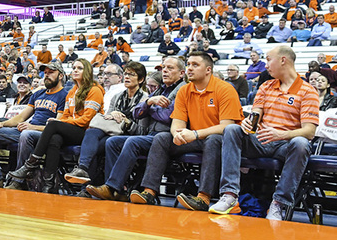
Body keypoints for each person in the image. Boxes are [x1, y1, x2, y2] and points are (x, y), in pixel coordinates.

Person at [209, 46, 318, 220]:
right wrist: (248, 123)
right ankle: (229, 194)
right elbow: (256, 115)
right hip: (260, 140)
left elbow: (309, 131)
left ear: (283, 60)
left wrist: (281, 135)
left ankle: (278, 204)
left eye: (268, 59)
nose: (265, 65)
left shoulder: (307, 91)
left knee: (302, 143)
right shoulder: (266, 86)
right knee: (232, 129)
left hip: (285, 144)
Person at [129, 52, 242, 210]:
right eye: (188, 64)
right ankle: (149, 192)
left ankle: (203, 197)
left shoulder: (225, 89)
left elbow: (227, 126)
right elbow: (177, 123)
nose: (189, 68)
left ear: (208, 70)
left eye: (195, 65)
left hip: (220, 140)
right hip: (193, 138)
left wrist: (194, 134)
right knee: (162, 138)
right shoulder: (184, 91)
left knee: (213, 139)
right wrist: (177, 134)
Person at [85, 58, 185, 202]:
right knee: (112, 142)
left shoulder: (182, 89)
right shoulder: (160, 89)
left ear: (181, 73)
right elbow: (136, 112)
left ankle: (112, 187)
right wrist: (150, 103)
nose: (165, 71)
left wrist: (149, 107)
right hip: (151, 134)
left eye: (170, 68)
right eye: (164, 68)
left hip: (166, 136)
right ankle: (115, 190)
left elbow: (167, 116)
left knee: (133, 142)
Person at [8, 59, 104, 193]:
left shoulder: (95, 90)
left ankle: (30, 164)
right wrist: (62, 122)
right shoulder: (72, 92)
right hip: (74, 129)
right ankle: (50, 184)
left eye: (80, 68)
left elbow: (87, 120)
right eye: (74, 67)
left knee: (53, 126)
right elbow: (65, 115)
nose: (75, 70)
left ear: (87, 71)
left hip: (88, 133)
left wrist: (61, 123)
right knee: (55, 139)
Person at [64, 61, 148, 185]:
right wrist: (112, 115)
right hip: (112, 131)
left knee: (96, 146)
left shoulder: (145, 99)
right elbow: (106, 120)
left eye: (131, 74)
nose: (127, 77)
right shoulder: (117, 97)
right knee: (92, 132)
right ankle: (83, 170)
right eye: (126, 74)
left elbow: (142, 131)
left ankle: (94, 184)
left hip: (129, 134)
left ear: (140, 80)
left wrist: (127, 121)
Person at [0, 71, 67, 187]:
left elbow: (58, 125)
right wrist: (3, 124)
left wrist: (32, 127)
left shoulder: (64, 95)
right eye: (45, 72)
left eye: (51, 72)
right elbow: (21, 117)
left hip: (46, 133)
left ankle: (19, 181)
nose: (46, 75)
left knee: (26, 134)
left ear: (60, 76)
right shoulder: (39, 94)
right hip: (29, 129)